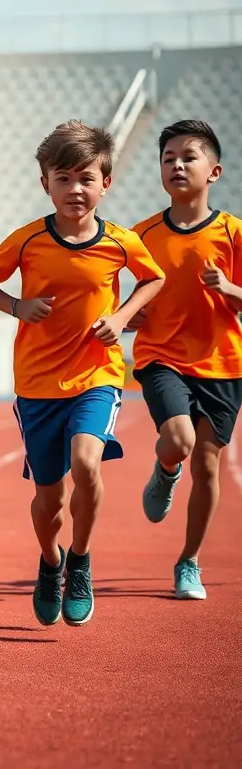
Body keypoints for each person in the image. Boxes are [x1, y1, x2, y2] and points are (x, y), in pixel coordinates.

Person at [0, 121, 164, 627]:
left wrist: (121, 318)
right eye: (63, 178)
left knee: (87, 462)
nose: (75, 189)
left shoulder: (120, 242)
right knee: (48, 499)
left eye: (85, 178)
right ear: (45, 184)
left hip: (97, 375)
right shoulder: (29, 239)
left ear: (106, 183)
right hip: (36, 384)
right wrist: (17, 303)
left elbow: (154, 277)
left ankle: (79, 559)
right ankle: (51, 561)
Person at [129, 119, 242, 600]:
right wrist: (128, 315)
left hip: (222, 361)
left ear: (213, 171)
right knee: (178, 439)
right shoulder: (141, 234)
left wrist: (230, 288)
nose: (176, 164)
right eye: (168, 157)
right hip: (161, 355)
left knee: (210, 466)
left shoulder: (234, 232)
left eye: (188, 156)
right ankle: (166, 468)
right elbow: (130, 295)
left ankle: (189, 562)